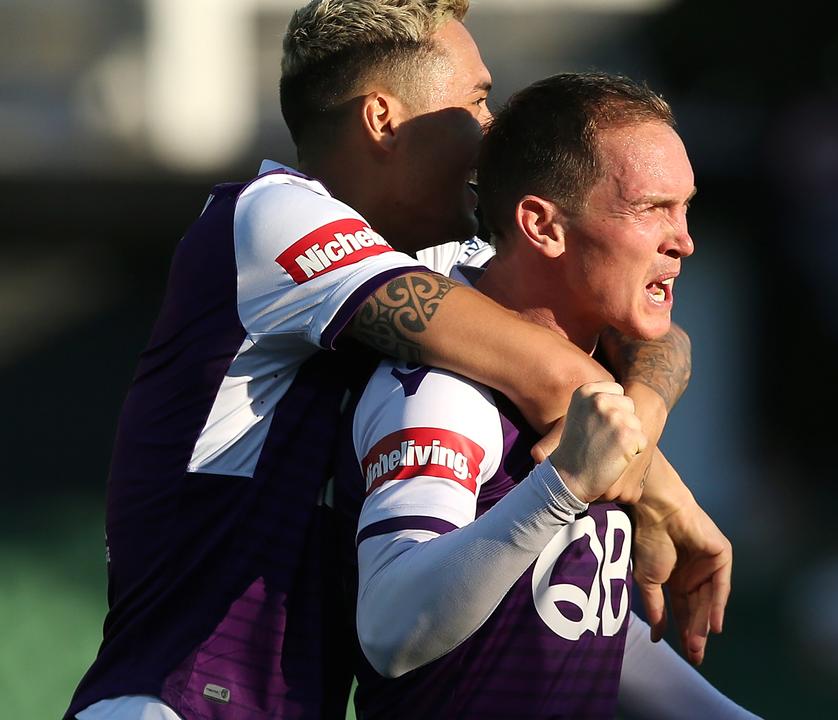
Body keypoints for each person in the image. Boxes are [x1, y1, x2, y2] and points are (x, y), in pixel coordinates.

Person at [65, 2, 728, 719]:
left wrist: (643, 423)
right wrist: (672, 503)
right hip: (169, 701)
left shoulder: (434, 258)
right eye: (475, 99)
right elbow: (554, 375)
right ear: (383, 119)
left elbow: (659, 336)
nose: (490, 127)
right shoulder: (269, 218)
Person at [343, 72, 756, 719]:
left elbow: (568, 628)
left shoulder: (600, 372)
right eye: (652, 209)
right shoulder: (442, 392)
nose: (683, 240)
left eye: (685, 208)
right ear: (542, 226)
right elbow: (393, 629)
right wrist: (561, 486)